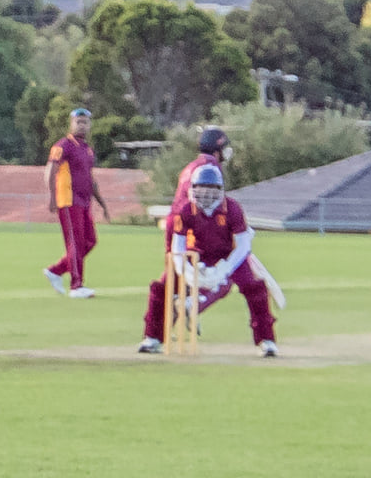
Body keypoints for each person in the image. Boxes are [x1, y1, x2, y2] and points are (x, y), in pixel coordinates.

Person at [139, 165, 278, 357]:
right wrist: (185, 271)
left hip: (229, 255)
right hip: (197, 253)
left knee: (254, 288)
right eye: (201, 189)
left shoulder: (233, 209)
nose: (205, 194)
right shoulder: (186, 210)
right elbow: (177, 247)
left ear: (220, 190)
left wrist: (224, 270)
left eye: (211, 189)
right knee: (162, 286)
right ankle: (152, 337)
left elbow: (243, 246)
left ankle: (266, 340)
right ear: (193, 188)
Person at [44, 108, 108, 298]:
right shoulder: (63, 145)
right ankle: (76, 285)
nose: (82, 125)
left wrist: (102, 204)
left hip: (84, 201)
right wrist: (52, 197)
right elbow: (50, 172)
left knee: (90, 241)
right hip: (69, 200)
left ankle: (56, 270)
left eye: (85, 122)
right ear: (71, 123)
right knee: (75, 242)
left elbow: (91, 178)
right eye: (78, 121)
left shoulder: (87, 149)